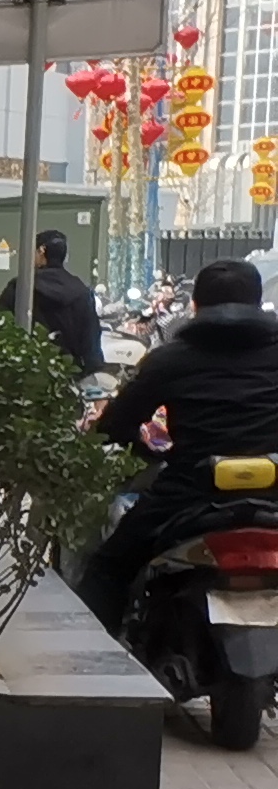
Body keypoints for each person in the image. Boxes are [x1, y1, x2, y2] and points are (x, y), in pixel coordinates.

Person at [72, 256, 278, 627]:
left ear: (195, 306)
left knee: (108, 569)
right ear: (257, 303)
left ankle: (93, 658)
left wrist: (147, 450)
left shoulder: (169, 359)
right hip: (273, 491)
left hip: (189, 492)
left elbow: (115, 425)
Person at [0, 229, 103, 372]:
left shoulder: (21, 287)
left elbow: (2, 328)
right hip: (71, 372)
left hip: (27, 372)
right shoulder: (82, 292)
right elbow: (91, 341)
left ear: (42, 251)